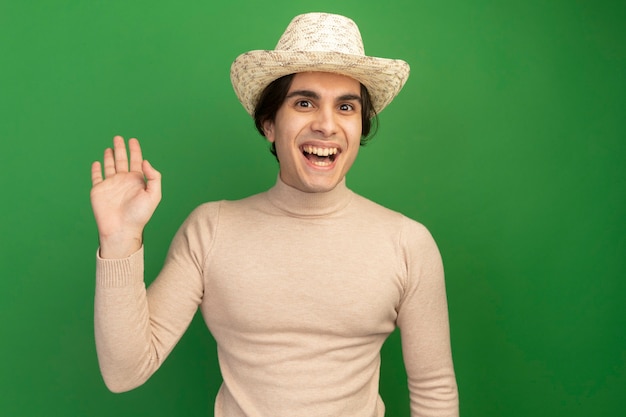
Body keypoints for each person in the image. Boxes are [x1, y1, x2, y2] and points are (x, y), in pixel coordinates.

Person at [90, 12, 459, 417]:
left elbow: (434, 390)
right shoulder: (211, 230)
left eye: (346, 107)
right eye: (304, 103)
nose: (326, 125)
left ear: (361, 125)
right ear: (268, 123)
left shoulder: (407, 243)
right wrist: (120, 241)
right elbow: (124, 372)